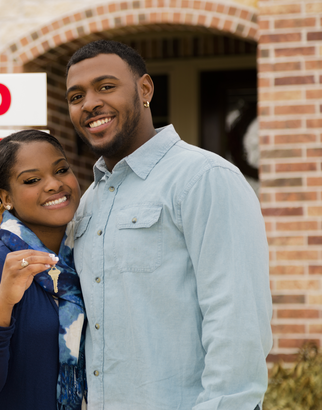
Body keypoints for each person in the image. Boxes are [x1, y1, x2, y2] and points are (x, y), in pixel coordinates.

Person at [65, 40, 272, 410]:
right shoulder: (89, 203)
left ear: (144, 89)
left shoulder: (203, 178)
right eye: (76, 96)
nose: (90, 103)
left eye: (106, 87)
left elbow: (237, 318)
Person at [0, 130, 88, 410]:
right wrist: (3, 302)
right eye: (32, 180)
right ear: (6, 197)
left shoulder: (87, 258)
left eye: (61, 170)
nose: (53, 184)